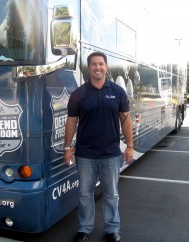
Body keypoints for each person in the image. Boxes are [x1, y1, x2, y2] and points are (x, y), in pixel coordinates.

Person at [64, 52, 133, 242]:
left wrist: (130, 146)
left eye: (101, 64)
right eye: (94, 64)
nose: (97, 67)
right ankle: (84, 228)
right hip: (85, 154)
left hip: (111, 154)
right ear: (89, 68)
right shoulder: (79, 94)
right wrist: (67, 148)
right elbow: (71, 122)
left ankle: (112, 229)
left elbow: (125, 121)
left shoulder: (118, 92)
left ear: (106, 67)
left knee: (112, 195)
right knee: (85, 194)